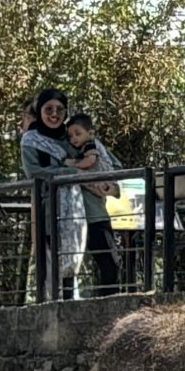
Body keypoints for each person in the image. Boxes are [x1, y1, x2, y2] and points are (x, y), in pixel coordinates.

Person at [18, 87, 86, 297]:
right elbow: (35, 172)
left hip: (76, 209)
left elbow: (98, 158)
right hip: (48, 208)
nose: (54, 114)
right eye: (48, 109)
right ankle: (51, 304)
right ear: (39, 111)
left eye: (60, 110)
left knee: (73, 258)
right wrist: (69, 170)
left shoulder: (71, 136)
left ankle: (71, 303)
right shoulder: (31, 139)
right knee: (49, 258)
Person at [62, 112, 125, 294]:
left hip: (95, 214)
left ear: (90, 133)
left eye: (77, 134)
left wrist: (71, 166)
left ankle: (110, 296)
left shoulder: (91, 147)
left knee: (108, 261)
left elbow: (112, 168)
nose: (74, 139)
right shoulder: (66, 146)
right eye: (70, 136)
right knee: (97, 263)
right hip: (79, 216)